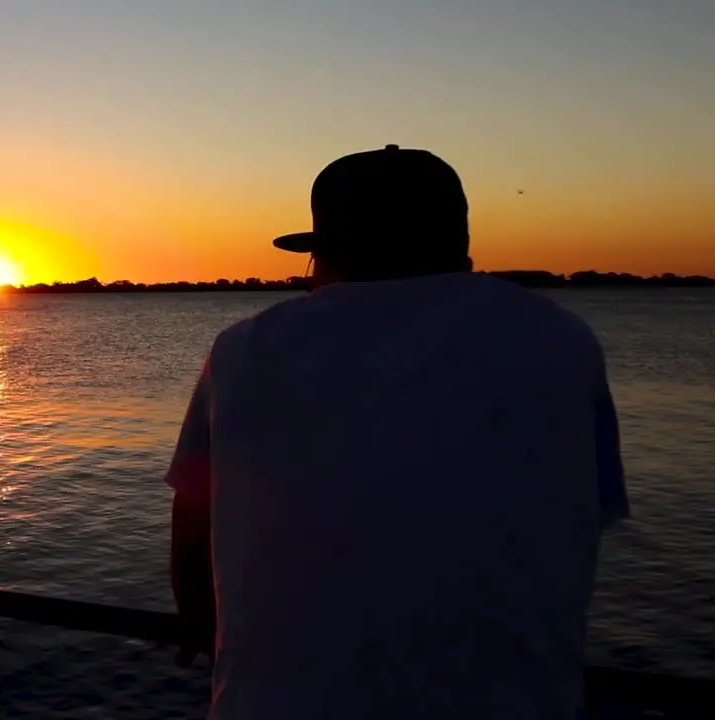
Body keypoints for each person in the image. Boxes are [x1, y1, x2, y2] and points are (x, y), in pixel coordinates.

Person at [165, 144, 629, 719]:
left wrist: (203, 633)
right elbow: (585, 513)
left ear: (326, 253)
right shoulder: (559, 340)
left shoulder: (244, 350)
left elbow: (191, 531)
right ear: (459, 245)